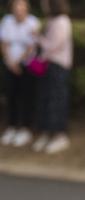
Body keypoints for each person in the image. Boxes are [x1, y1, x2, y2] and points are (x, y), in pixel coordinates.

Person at [31, 0, 72, 154]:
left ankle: (59, 135)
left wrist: (37, 38)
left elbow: (53, 46)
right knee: (45, 99)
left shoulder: (62, 21)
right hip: (47, 66)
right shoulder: (51, 20)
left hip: (58, 66)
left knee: (57, 100)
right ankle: (47, 132)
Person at [0, 0, 40, 147]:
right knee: (11, 95)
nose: (19, 10)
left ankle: (25, 127)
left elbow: (31, 46)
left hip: (26, 65)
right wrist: (10, 62)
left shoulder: (32, 22)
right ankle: (11, 126)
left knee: (26, 96)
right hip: (9, 64)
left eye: (22, 7)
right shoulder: (7, 21)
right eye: (16, 7)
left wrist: (18, 62)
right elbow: (4, 43)